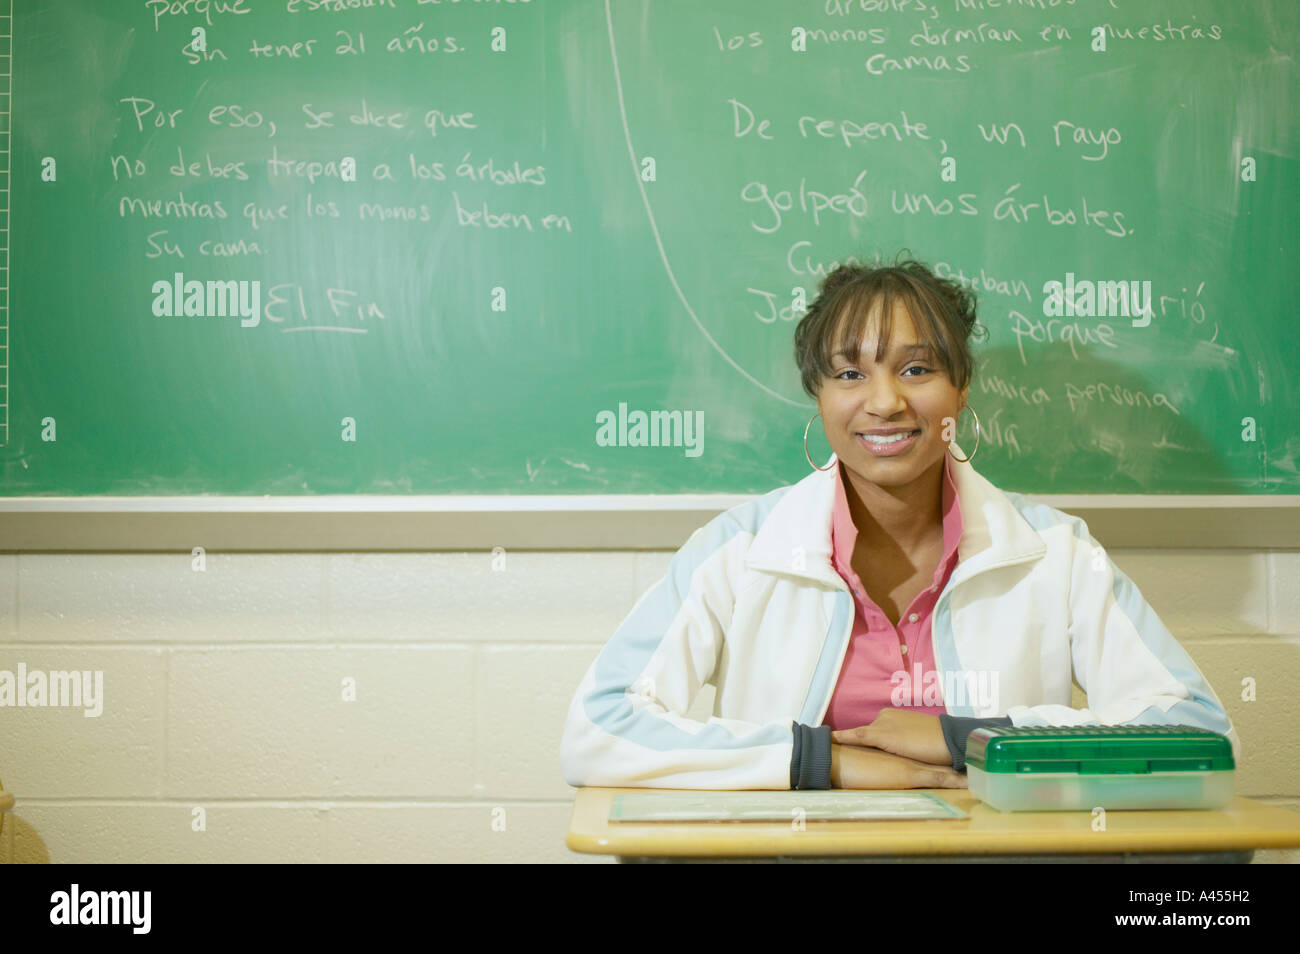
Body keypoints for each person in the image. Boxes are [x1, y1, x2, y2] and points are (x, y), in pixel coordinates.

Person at [560, 255, 1240, 790]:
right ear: (819, 397)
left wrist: (967, 739)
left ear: (961, 388)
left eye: (916, 368)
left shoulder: (1054, 552)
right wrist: (820, 761)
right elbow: (601, 729)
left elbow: (1198, 732)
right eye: (849, 374)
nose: (884, 402)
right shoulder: (740, 551)